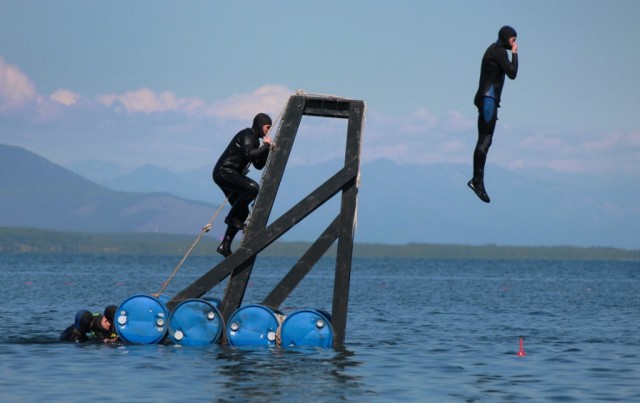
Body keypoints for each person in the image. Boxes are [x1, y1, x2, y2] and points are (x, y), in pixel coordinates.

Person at [468, 25, 519, 203]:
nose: (515, 43)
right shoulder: (498, 51)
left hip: (488, 100)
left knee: (485, 140)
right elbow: (512, 73)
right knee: (485, 139)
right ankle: (476, 181)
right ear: (506, 38)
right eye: (513, 40)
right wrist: (515, 53)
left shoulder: (494, 50)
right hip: (488, 99)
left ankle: (477, 180)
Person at [213, 113, 273, 257]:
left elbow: (258, 165)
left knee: (243, 212)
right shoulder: (246, 135)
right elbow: (249, 155)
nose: (268, 130)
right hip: (224, 172)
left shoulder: (256, 142)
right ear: (260, 125)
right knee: (253, 188)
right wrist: (265, 146)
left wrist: (266, 148)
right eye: (267, 127)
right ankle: (231, 217)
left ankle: (225, 245)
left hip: (231, 174)